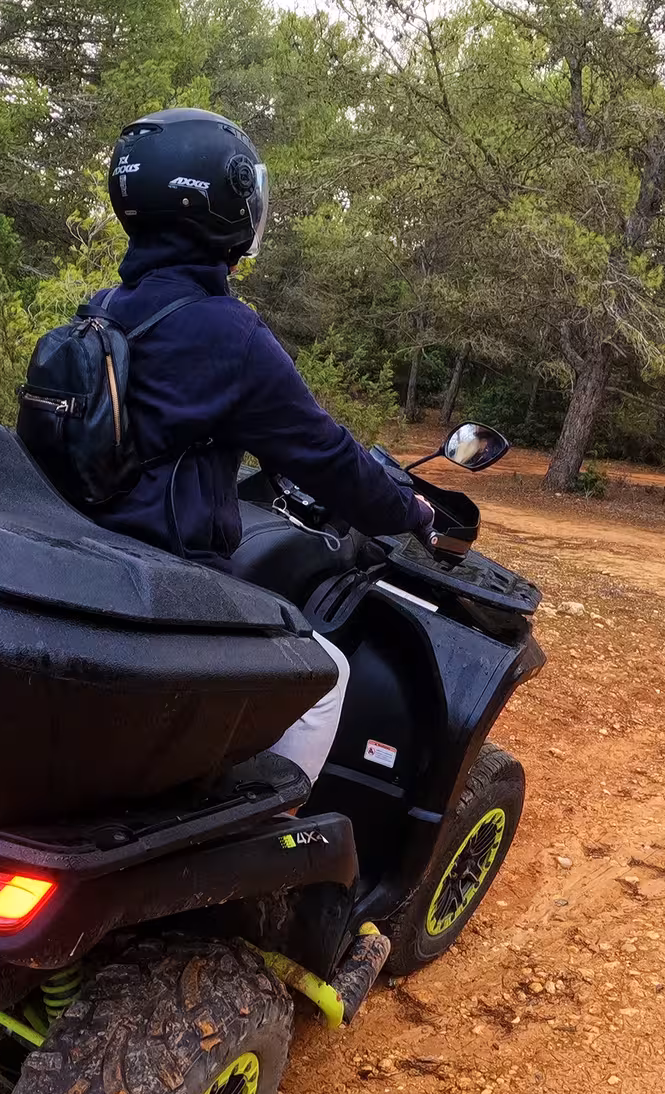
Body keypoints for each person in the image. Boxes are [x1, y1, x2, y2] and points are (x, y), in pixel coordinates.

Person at [85, 107, 435, 784]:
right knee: (324, 676)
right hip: (165, 587)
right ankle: (261, 843)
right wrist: (410, 511)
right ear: (223, 205)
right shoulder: (229, 334)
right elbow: (328, 458)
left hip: (88, 565)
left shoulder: (102, 309)